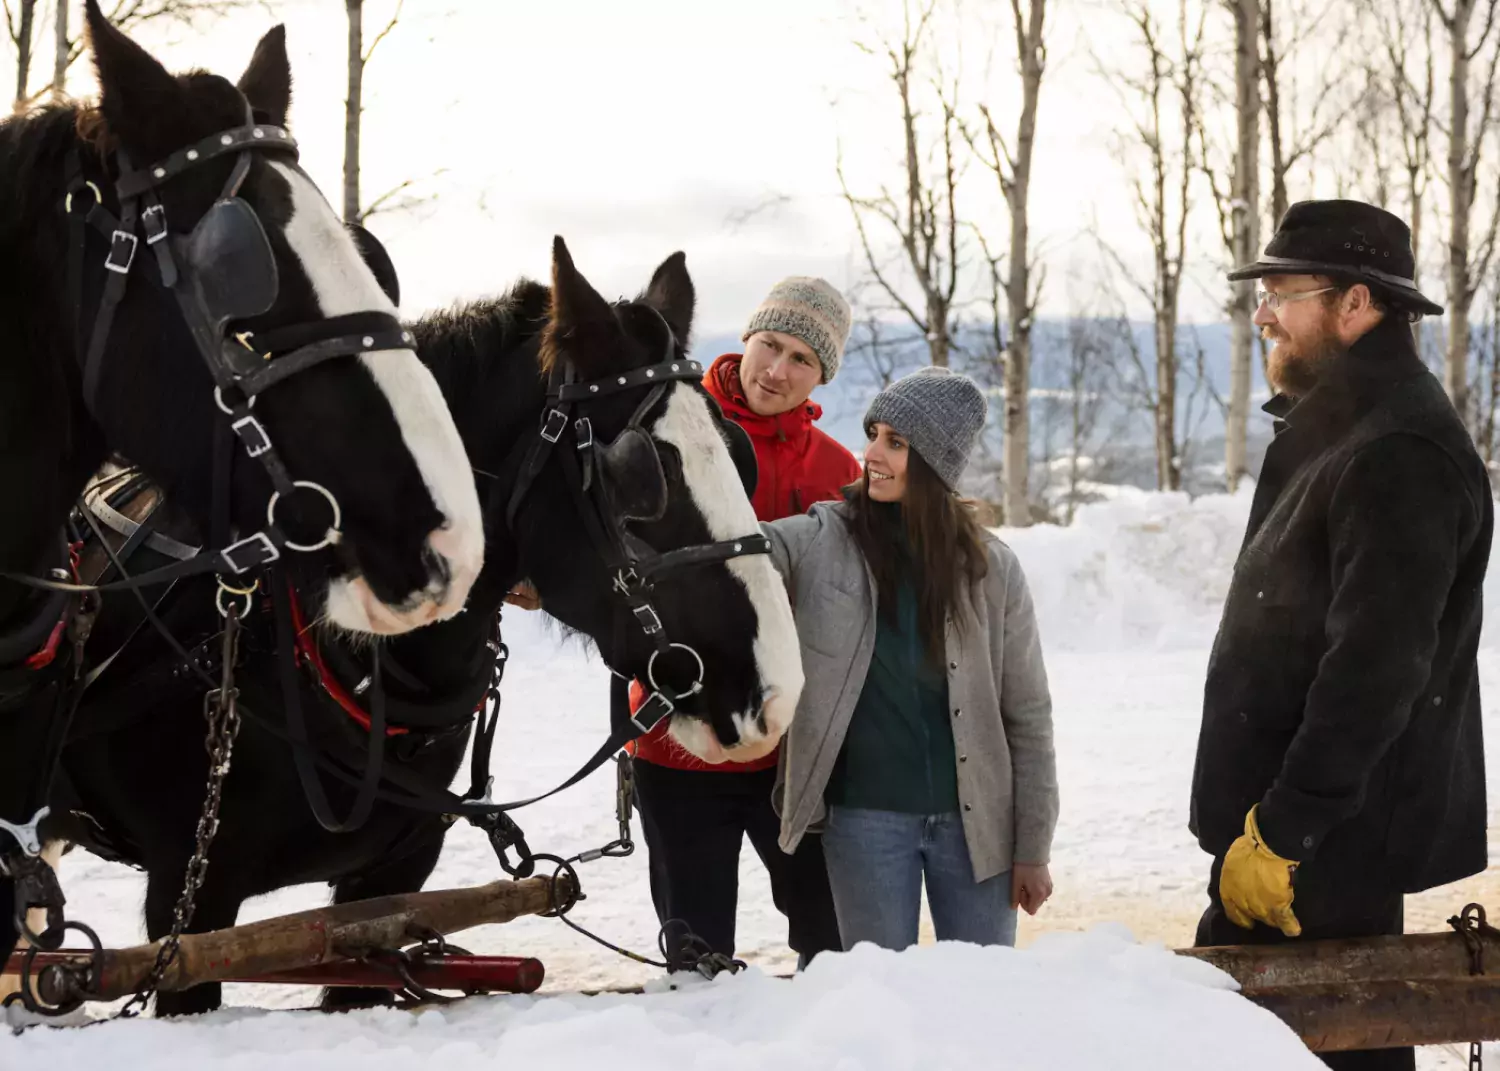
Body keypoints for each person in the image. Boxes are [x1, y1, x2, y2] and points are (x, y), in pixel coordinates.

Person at [1189, 199, 1492, 1071]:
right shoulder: (1340, 425)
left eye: (1284, 291)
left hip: (1314, 848)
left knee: (1306, 1049)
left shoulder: (1399, 451)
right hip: (1289, 836)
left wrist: (1284, 834)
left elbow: (1375, 671)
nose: (1262, 312)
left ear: (1356, 305)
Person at [763, 367, 1059, 952]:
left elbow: (1028, 716)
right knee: (879, 1003)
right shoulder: (821, 539)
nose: (871, 453)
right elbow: (732, 553)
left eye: (895, 443)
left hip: (978, 833)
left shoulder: (992, 569)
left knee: (982, 998)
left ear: (934, 462)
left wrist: (1033, 848)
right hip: (864, 819)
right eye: (873, 434)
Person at [626, 276, 861, 969]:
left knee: (831, 947)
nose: (778, 370)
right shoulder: (671, 430)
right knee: (698, 955)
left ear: (821, 375)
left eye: (801, 360)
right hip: (677, 741)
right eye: (771, 346)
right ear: (746, 340)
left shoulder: (836, 471)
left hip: (793, 751)